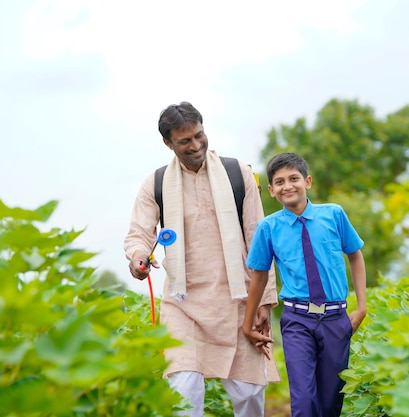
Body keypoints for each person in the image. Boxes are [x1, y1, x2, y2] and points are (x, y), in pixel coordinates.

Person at [124, 101, 279, 417]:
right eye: (185, 141)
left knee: (249, 393)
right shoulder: (154, 184)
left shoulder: (240, 175)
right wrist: (138, 257)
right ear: (168, 143)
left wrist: (264, 299)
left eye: (199, 135)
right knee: (183, 391)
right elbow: (139, 234)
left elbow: (260, 241)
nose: (195, 145)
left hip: (239, 302)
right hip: (183, 304)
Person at [242, 152, 367, 417]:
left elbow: (355, 255)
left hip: (335, 318)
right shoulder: (268, 227)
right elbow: (260, 276)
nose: (287, 185)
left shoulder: (334, 215)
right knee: (303, 399)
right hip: (297, 319)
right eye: (279, 182)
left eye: (293, 178)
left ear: (307, 181)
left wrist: (362, 307)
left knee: (331, 400)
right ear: (272, 191)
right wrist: (247, 320)